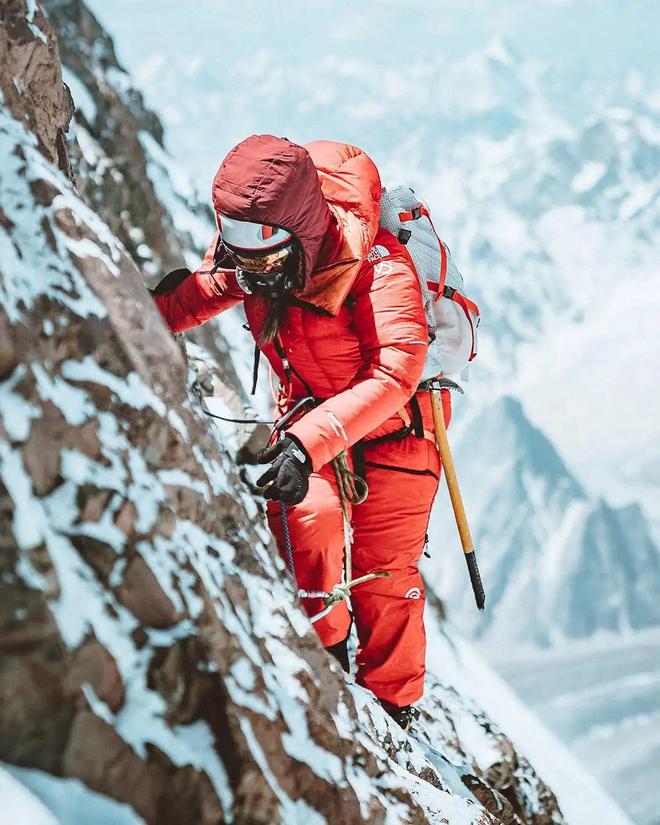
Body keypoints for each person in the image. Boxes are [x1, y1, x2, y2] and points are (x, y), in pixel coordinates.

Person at [153, 134, 450, 730]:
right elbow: (199, 293)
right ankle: (326, 661)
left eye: (259, 244)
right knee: (305, 525)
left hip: (398, 433)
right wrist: (125, 304)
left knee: (385, 574)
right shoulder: (262, 256)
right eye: (232, 241)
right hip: (311, 424)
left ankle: (394, 710)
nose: (245, 261)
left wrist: (303, 442)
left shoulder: (377, 266)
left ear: (297, 227)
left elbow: (396, 373)